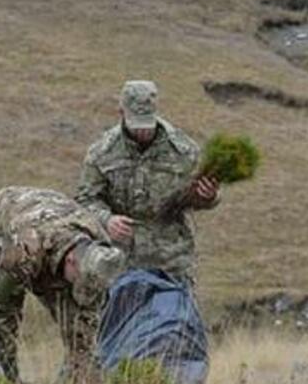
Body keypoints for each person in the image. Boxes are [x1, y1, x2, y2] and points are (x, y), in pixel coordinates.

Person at [0, 186, 125, 384]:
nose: (82, 290)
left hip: (46, 244)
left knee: (81, 329)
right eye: (81, 284)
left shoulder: (100, 248)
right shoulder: (28, 249)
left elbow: (86, 319)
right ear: (71, 261)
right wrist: (10, 378)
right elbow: (4, 310)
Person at [76, 80, 220, 285]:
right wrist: (107, 220)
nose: (142, 131)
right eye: (136, 124)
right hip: (118, 262)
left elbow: (196, 199)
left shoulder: (183, 151)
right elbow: (85, 200)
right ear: (121, 113)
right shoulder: (102, 152)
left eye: (147, 123)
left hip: (171, 263)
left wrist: (207, 197)